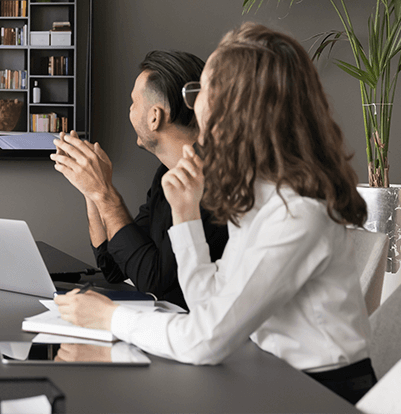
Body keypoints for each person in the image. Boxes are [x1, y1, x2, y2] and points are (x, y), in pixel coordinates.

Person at [56, 23, 376, 404]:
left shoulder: (297, 213)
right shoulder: (260, 195)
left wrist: (109, 317)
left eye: (202, 91)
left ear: (239, 108)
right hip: (268, 374)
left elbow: (205, 339)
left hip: (318, 395)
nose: (194, 104)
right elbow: (208, 304)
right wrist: (186, 215)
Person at [51, 51, 227, 308]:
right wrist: (91, 190)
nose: (129, 110)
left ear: (154, 117)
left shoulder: (213, 182)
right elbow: (114, 267)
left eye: (133, 103)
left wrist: (104, 191)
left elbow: (154, 281)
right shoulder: (166, 174)